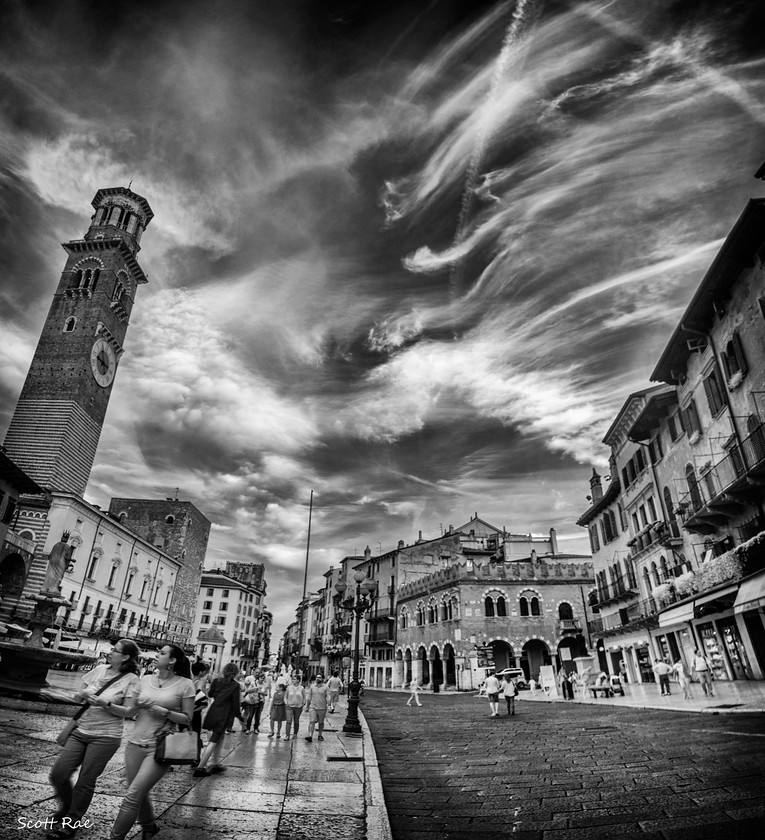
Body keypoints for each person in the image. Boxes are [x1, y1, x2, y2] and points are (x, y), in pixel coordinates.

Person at [48, 640, 141, 840]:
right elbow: (76, 697)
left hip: (106, 736)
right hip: (81, 729)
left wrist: (106, 703)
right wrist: (81, 694)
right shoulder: (98, 670)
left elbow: (130, 711)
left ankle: (71, 821)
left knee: (85, 780)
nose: (110, 652)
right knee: (58, 774)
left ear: (125, 657)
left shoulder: (132, 680)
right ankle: (66, 806)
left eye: (115, 650)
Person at [109, 645, 194, 840]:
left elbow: (188, 718)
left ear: (172, 661)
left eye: (162, 653)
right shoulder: (145, 680)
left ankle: (115, 837)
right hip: (134, 744)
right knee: (139, 793)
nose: (156, 655)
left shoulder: (185, 684)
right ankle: (149, 826)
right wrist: (108, 704)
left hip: (160, 748)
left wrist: (163, 711)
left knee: (132, 796)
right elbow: (130, 711)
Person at [194, 662, 242, 776]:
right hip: (224, 714)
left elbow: (210, 694)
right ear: (235, 673)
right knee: (214, 741)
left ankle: (214, 763)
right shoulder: (235, 685)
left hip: (213, 711)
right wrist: (240, 717)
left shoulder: (216, 681)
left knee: (218, 739)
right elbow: (236, 704)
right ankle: (200, 767)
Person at [304, 673, 329, 742]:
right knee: (312, 721)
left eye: (320, 677)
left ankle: (320, 735)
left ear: (323, 679)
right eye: (317, 677)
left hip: (322, 707)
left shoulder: (326, 687)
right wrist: (307, 706)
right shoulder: (312, 686)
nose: (318, 678)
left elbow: (328, 696)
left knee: (321, 722)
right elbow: (309, 697)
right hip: (313, 707)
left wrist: (329, 705)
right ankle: (310, 736)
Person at [190, 661, 210, 735]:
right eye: (204, 670)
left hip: (190, 709)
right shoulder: (199, 682)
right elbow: (200, 695)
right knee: (195, 733)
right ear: (200, 672)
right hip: (196, 711)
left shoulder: (191, 680)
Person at [284, 674, 306, 740]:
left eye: (294, 679)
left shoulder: (302, 688)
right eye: (292, 679)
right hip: (289, 706)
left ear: (298, 680)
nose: (293, 680)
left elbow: (304, 697)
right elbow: (285, 696)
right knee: (288, 720)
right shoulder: (289, 687)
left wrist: (303, 703)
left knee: (296, 721)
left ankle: (295, 733)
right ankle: (287, 735)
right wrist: (286, 703)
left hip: (298, 706)